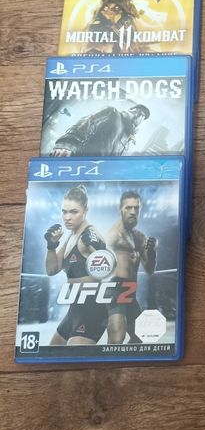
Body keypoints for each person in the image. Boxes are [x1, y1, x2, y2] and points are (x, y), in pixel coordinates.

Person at [44, 185, 108, 346]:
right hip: (74, 312)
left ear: (85, 211)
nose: (67, 217)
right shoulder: (71, 236)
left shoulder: (91, 233)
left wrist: (97, 248)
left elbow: (109, 266)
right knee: (52, 352)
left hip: (93, 311)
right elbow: (51, 270)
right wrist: (51, 246)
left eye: (74, 212)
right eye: (64, 211)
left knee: (75, 358)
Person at [104, 191, 157, 344]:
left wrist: (152, 253)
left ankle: (124, 360)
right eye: (128, 208)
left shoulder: (139, 237)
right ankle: (108, 361)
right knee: (117, 337)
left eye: (136, 208)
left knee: (141, 336)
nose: (133, 212)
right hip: (115, 289)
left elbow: (149, 270)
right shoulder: (113, 235)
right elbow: (98, 264)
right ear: (120, 209)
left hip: (130, 291)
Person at [50, 104, 150, 156]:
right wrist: (67, 144)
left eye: (143, 116)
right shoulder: (113, 112)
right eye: (138, 111)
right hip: (79, 158)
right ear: (131, 110)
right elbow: (86, 122)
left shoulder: (128, 139)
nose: (139, 116)